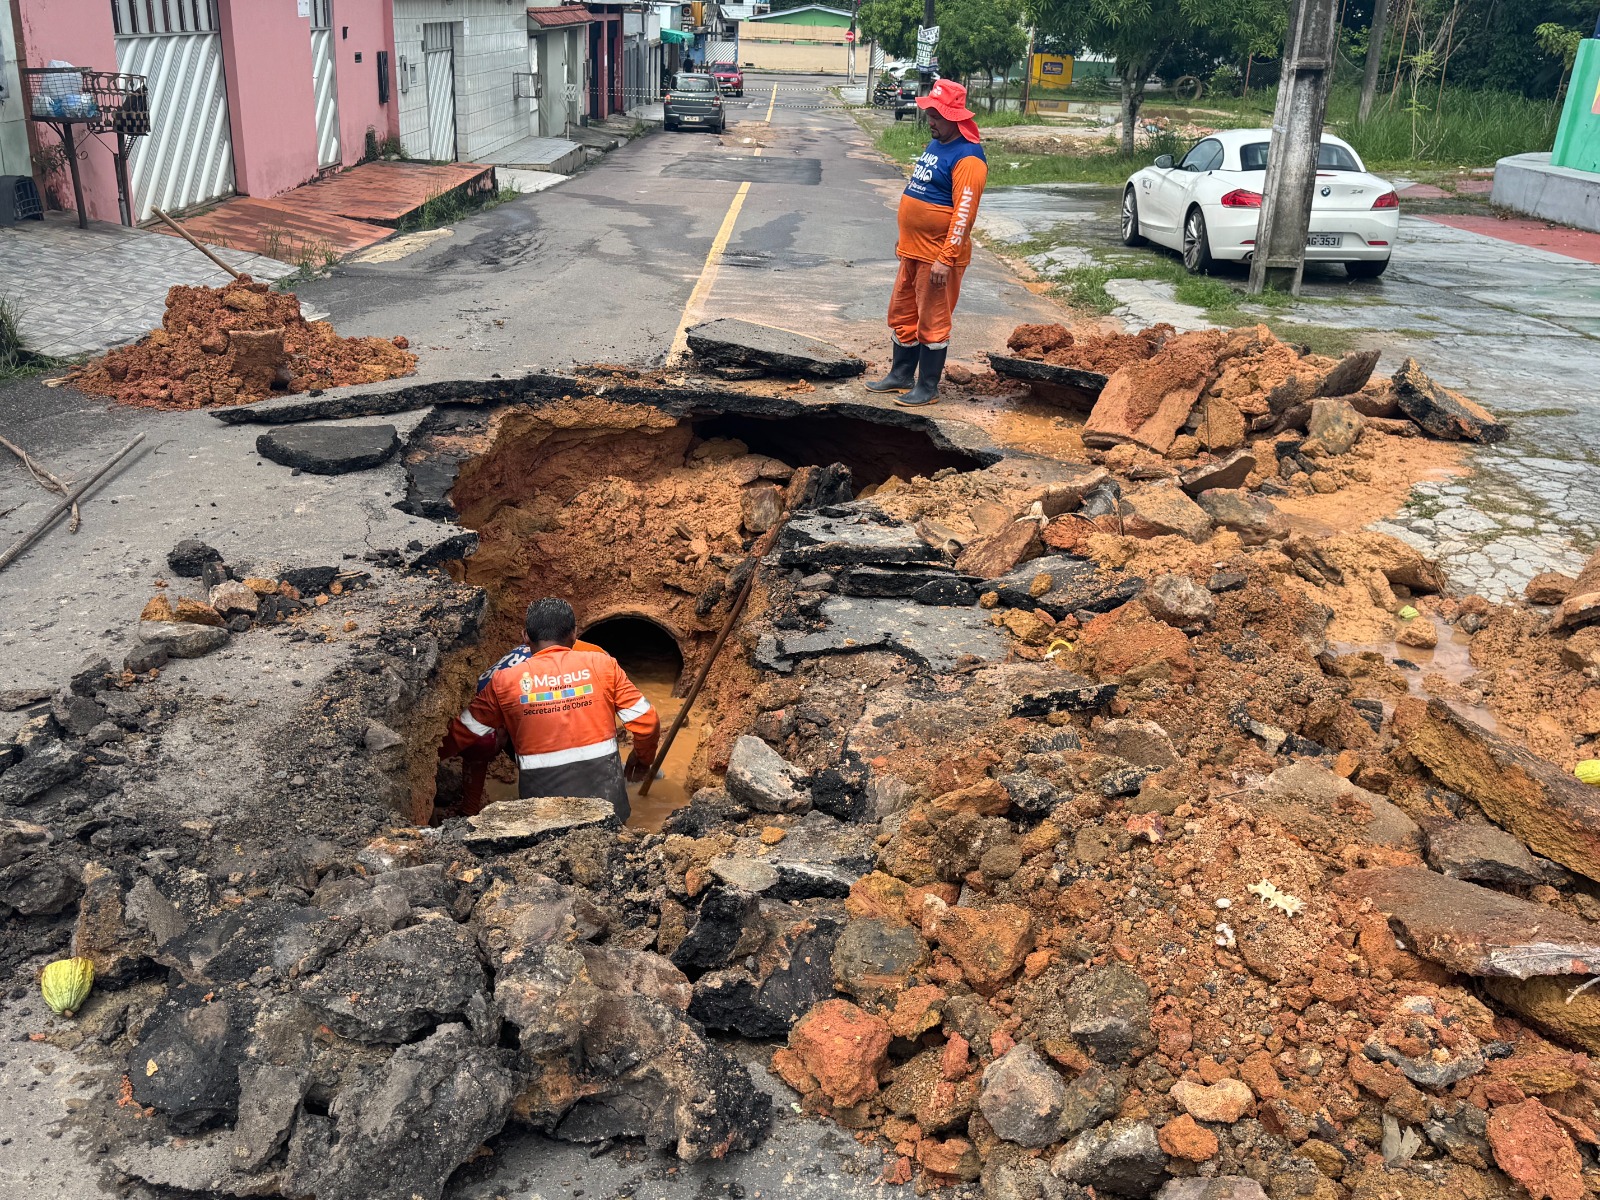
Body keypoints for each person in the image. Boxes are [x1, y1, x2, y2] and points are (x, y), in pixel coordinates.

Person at [438, 598, 658, 821]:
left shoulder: (504, 680)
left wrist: (426, 764)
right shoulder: (602, 664)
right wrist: (642, 760)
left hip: (543, 814)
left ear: (525, 636)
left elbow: (462, 731)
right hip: (608, 803)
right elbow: (647, 721)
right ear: (574, 633)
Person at [865, 78, 988, 408]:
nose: (930, 121)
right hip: (913, 252)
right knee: (903, 314)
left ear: (955, 117)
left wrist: (946, 258)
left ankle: (928, 387)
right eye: (930, 114)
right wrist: (906, 238)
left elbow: (964, 213)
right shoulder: (937, 144)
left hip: (937, 257)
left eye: (936, 116)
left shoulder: (969, 158)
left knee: (932, 322)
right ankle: (901, 375)